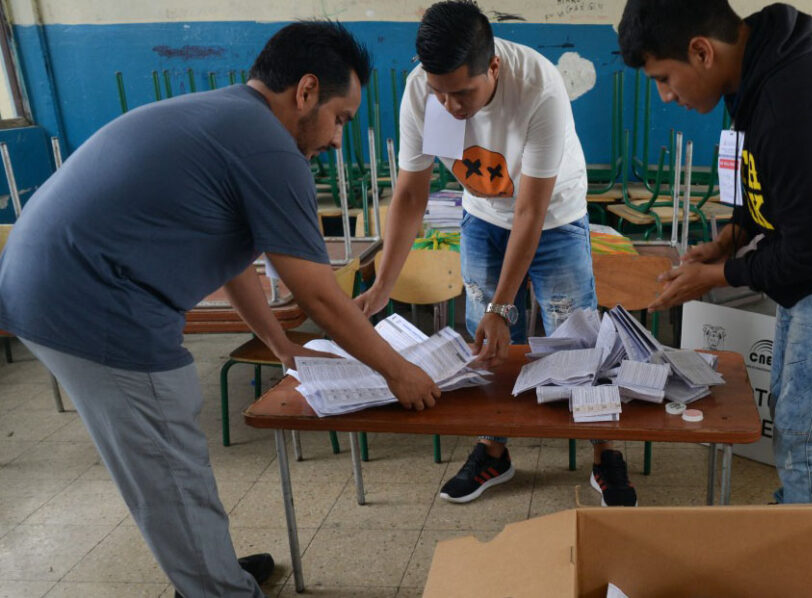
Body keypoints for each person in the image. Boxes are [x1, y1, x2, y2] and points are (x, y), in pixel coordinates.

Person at [0, 21, 440, 597]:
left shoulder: (228, 118)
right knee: (169, 465)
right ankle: (216, 589)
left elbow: (233, 261)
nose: (338, 139)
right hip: (90, 304)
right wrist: (399, 372)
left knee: (172, 459)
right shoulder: (269, 148)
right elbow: (320, 297)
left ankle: (213, 571)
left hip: (46, 284)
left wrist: (280, 344)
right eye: (341, 118)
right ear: (306, 91)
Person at [618, 0, 812, 504]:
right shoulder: (755, 76)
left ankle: (809, 543)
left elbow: (809, 252)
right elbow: (769, 183)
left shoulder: (797, 100)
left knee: (804, 433)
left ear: (701, 52)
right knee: (792, 413)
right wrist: (730, 238)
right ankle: (798, 517)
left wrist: (716, 275)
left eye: (664, 78)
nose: (665, 96)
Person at [354, 0, 636, 507]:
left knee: (576, 337)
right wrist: (382, 286)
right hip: (482, 215)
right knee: (484, 340)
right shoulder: (423, 92)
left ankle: (604, 451)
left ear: (494, 67)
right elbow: (411, 195)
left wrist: (503, 306)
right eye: (440, 92)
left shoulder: (539, 88)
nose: (450, 106)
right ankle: (493, 448)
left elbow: (530, 211)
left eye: (462, 93)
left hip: (554, 215)